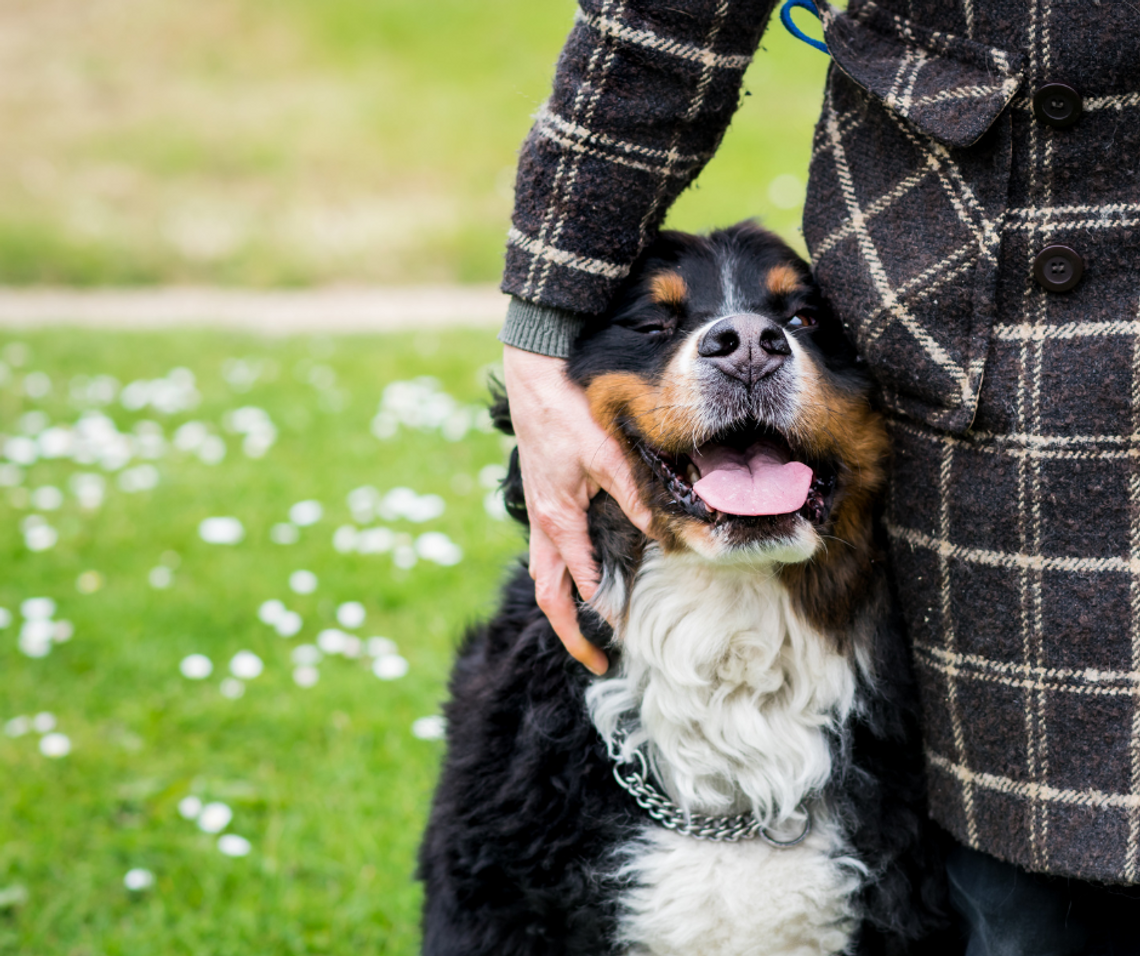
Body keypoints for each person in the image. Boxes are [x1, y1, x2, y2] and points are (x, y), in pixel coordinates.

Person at [497, 0, 1140, 950]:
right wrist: (540, 325)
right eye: (660, 326)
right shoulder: (510, 765)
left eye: (797, 326)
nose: (747, 345)